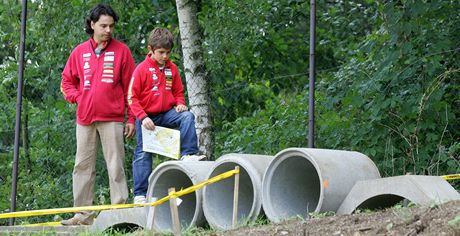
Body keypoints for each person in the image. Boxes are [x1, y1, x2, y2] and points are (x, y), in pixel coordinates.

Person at [60, 4, 136, 225]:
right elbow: (66, 81)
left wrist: (131, 118)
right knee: (82, 167)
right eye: (103, 25)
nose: (108, 30)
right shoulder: (79, 51)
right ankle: (83, 216)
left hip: (112, 118)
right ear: (92, 25)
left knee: (116, 165)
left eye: (111, 26)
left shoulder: (123, 51)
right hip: (84, 119)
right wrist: (77, 97)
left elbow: (132, 88)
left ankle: (119, 213)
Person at [128, 27, 205, 204]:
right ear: (150, 50)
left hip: (167, 114)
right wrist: (142, 117)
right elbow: (132, 97)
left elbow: (178, 91)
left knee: (187, 116)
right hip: (147, 118)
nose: (165, 56)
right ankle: (140, 194)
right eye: (161, 52)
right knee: (142, 153)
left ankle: (188, 154)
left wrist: (179, 104)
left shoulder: (172, 69)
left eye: (168, 53)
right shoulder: (141, 69)